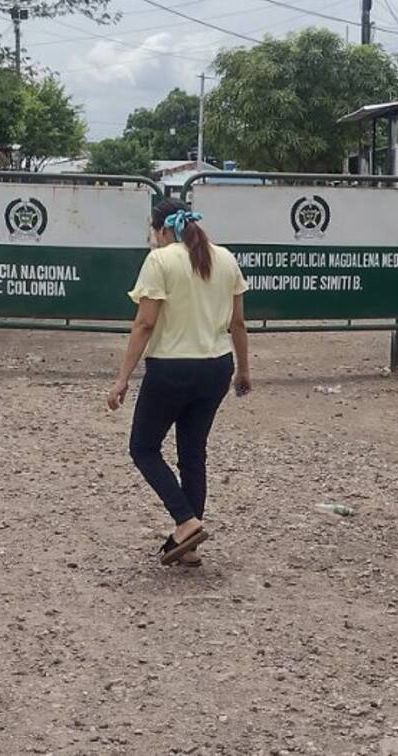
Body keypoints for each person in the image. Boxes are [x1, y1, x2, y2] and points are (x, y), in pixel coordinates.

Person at [108, 199, 250, 567]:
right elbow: (238, 323)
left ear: (162, 229)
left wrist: (122, 378)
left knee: (143, 447)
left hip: (171, 367)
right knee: (192, 452)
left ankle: (186, 520)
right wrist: (244, 370)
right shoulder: (225, 258)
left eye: (152, 231)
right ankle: (189, 546)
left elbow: (145, 323)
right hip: (217, 367)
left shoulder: (160, 260)